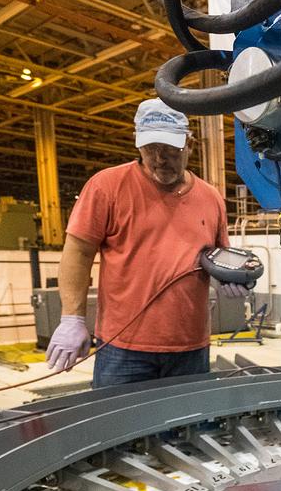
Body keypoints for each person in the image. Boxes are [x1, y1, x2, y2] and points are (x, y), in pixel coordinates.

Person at [45, 99, 253, 387]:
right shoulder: (106, 186)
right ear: (136, 143)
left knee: (188, 429)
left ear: (189, 144)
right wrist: (72, 318)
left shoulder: (211, 197)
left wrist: (231, 279)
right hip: (123, 348)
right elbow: (77, 253)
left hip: (190, 348)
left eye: (170, 149)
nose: (158, 159)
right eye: (149, 149)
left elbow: (216, 256)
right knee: (121, 427)